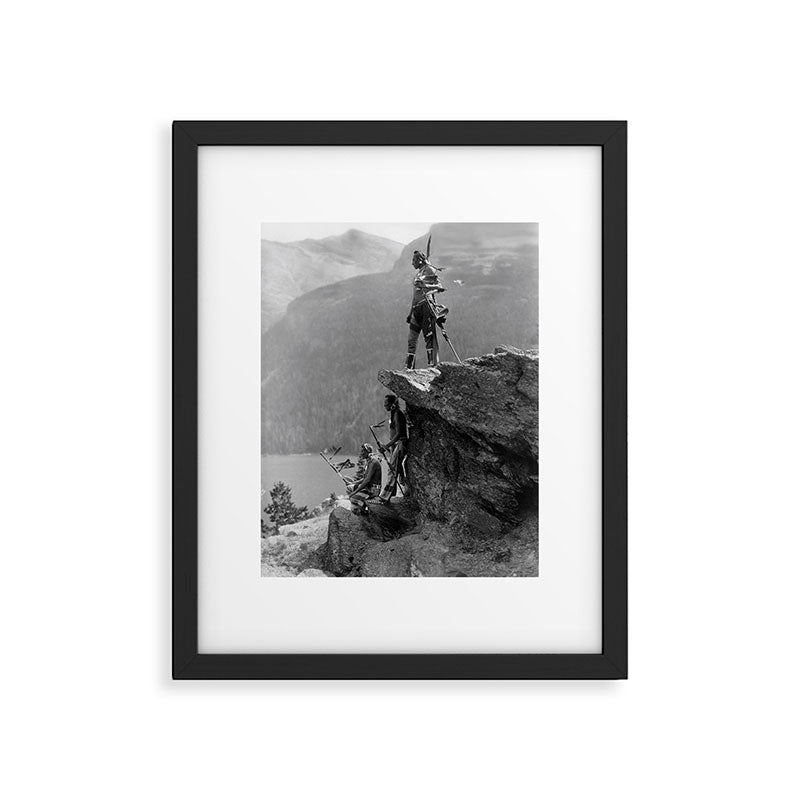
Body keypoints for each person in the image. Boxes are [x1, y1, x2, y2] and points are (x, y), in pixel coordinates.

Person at [405, 249, 447, 368]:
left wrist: (425, 285)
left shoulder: (429, 269)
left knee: (428, 337)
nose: (412, 263)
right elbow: (415, 295)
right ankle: (409, 367)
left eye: (414, 260)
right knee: (411, 339)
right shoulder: (418, 274)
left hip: (426, 306)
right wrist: (410, 312)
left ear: (420, 260)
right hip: (416, 309)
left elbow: (439, 286)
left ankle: (431, 365)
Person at [378, 394, 409, 501]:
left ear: (392, 404)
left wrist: (386, 446)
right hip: (397, 444)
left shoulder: (397, 414)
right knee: (394, 467)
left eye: (386, 403)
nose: (384, 405)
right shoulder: (394, 414)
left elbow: (399, 433)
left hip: (401, 443)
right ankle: (392, 494)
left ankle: (387, 495)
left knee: (392, 468)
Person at [347, 443, 382, 515]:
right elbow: (364, 478)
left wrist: (355, 491)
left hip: (373, 491)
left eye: (363, 451)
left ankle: (362, 512)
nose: (361, 453)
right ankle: (360, 508)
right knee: (349, 488)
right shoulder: (369, 462)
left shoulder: (373, 462)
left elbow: (367, 480)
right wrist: (353, 483)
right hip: (368, 487)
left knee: (353, 499)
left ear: (368, 452)